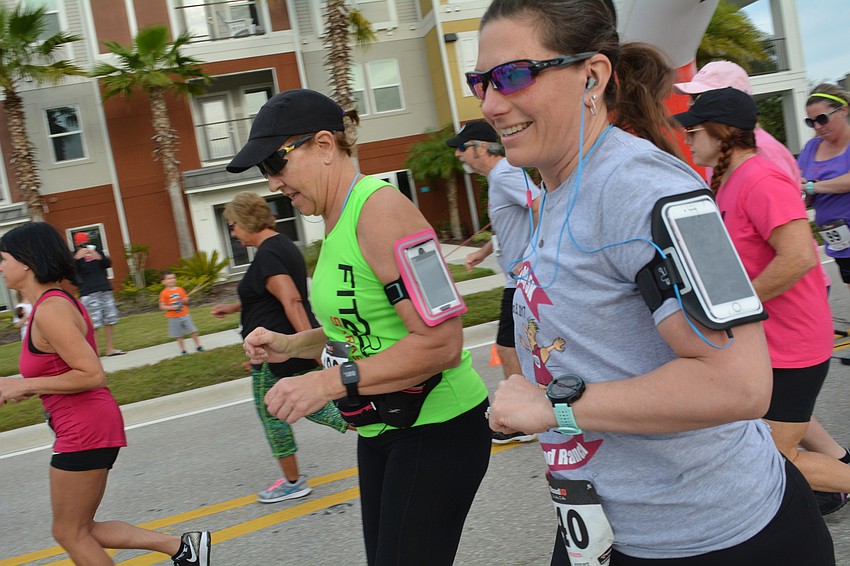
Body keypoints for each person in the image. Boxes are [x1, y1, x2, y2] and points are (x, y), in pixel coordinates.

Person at [476, 1, 833, 564]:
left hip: (718, 538)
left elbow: (739, 385)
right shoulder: (560, 187)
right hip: (609, 529)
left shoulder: (644, 190)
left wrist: (553, 407)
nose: (492, 104)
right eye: (481, 82)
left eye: (512, 76)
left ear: (591, 75)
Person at [229, 89, 491, 565]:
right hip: (382, 428)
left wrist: (326, 383)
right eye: (263, 172)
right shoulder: (336, 221)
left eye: (275, 162)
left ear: (325, 145)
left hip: (440, 425)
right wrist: (288, 345)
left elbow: (444, 343)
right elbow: (354, 332)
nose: (272, 183)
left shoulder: (382, 211)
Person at [674, 63, 845, 512]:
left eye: (693, 130)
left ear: (721, 132)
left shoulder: (761, 177)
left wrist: (734, 306)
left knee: (774, 456)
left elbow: (799, 257)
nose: (687, 139)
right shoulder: (728, 180)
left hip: (796, 343)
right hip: (770, 343)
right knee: (763, 448)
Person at [0, 222, 210, 566]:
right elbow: (60, 368)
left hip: (83, 427)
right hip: (86, 424)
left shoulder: (51, 309)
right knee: (80, 527)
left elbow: (91, 373)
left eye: (3, 258)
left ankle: (182, 548)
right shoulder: (53, 303)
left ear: (25, 261)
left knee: (69, 532)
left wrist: (24, 384)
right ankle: (182, 548)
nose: (0, 266)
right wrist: (28, 388)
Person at [210, 191, 349, 504]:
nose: (233, 232)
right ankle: (378, 426)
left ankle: (292, 481)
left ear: (247, 220)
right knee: (315, 405)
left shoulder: (269, 254)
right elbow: (267, 297)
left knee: (273, 411)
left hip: (278, 354)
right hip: (285, 350)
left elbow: (292, 300)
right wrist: (233, 309)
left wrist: (314, 350)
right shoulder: (279, 246)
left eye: (233, 225)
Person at [448, 118, 540, 444]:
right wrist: (483, 251)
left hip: (526, 279)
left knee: (507, 346)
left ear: (481, 148)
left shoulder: (505, 174)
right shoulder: (498, 178)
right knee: (526, 346)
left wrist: (543, 251)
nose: (459, 155)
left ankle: (521, 420)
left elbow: (540, 204)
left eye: (462, 148)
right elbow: (510, 223)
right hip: (518, 278)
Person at [672, 60, 801, 183]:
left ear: (731, 99)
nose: (689, 102)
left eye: (697, 96)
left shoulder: (764, 150)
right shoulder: (718, 148)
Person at [72, 231, 125, 356]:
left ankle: (110, 348)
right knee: (93, 324)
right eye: (81, 244)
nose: (85, 246)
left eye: (86, 243)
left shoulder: (96, 250)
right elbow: (69, 272)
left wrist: (98, 255)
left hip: (104, 288)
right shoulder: (74, 256)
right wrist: (76, 259)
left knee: (109, 319)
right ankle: (94, 353)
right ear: (76, 244)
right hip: (88, 292)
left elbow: (107, 264)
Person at [159, 270, 204, 355]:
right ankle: (183, 350)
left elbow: (186, 300)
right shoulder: (163, 293)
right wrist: (172, 307)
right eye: (168, 279)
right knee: (179, 335)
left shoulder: (180, 289)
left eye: (173, 278)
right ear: (163, 281)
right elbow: (162, 306)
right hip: (173, 317)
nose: (172, 280)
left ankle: (198, 346)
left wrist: (186, 300)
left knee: (193, 331)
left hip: (184, 315)